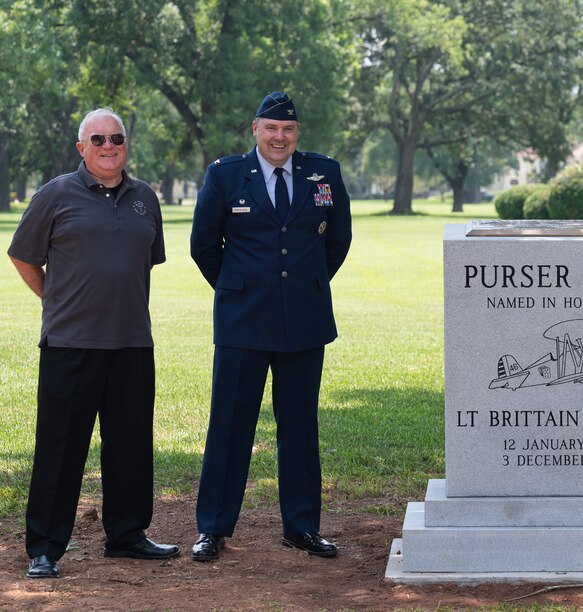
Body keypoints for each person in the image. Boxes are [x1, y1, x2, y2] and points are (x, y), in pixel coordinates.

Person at [8, 108, 180, 579]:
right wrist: (56, 298)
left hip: (131, 343)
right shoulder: (55, 195)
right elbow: (23, 257)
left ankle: (126, 536)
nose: (109, 146)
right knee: (60, 449)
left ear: (127, 144)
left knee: (130, 445)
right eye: (98, 139)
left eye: (117, 138)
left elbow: (144, 263)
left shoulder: (145, 198)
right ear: (82, 148)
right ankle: (44, 546)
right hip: (69, 345)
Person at [189, 92, 352, 561]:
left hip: (303, 320)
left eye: (289, 130)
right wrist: (237, 287)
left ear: (297, 134)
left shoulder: (324, 172)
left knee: (299, 425)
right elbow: (204, 245)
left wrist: (306, 283)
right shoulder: (225, 175)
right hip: (243, 321)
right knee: (230, 424)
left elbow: (337, 240)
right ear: (255, 129)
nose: (280, 138)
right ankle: (214, 528)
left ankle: (301, 527)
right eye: (271, 128)